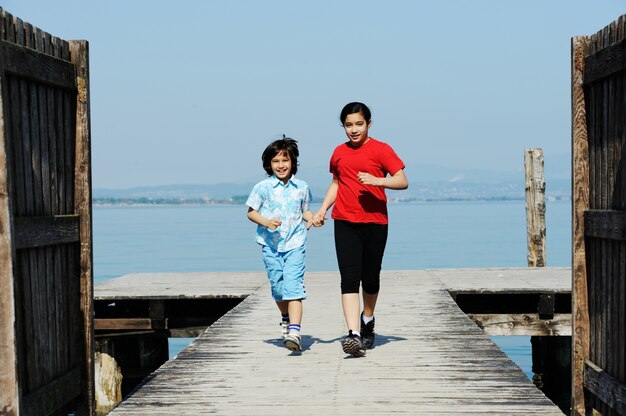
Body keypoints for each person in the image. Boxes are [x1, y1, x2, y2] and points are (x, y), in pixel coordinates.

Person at [312, 102, 408, 357]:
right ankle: (353, 334)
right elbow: (336, 182)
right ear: (343, 126)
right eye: (348, 125)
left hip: (376, 222)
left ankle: (368, 320)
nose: (354, 130)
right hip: (344, 221)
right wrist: (322, 209)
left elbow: (402, 180)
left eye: (359, 124)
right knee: (349, 279)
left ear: (368, 123)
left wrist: (378, 180)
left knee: (371, 278)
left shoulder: (381, 150)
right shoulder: (338, 152)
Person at [246, 136, 316, 352]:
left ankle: (295, 332)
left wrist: (312, 218)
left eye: (285, 160)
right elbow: (251, 213)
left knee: (293, 287)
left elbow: (304, 210)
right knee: (278, 288)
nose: (281, 165)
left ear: (293, 162)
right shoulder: (262, 188)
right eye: (276, 161)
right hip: (271, 245)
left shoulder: (302, 187)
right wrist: (266, 222)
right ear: (269, 164)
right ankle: (285, 316)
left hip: (295, 243)